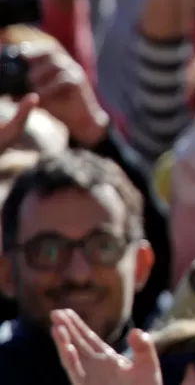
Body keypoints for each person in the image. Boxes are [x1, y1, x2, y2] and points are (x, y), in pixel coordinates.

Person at [0, 150, 155, 385]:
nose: (78, 274)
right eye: (48, 251)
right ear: (7, 274)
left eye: (102, 247)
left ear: (141, 266)